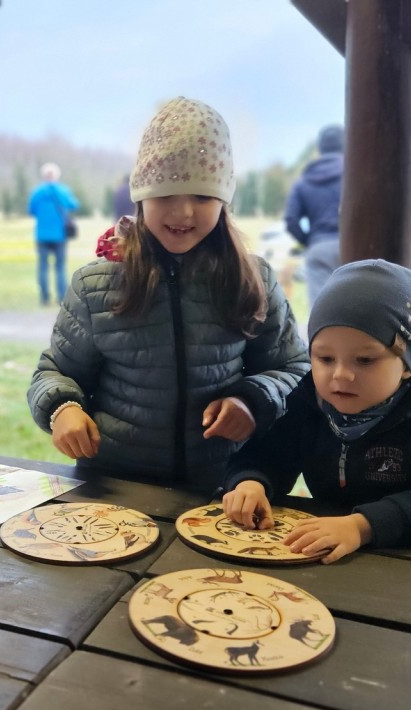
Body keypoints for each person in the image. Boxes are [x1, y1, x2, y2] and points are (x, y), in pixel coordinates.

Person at [28, 97, 309, 492]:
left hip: (222, 490)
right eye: (165, 194)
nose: (183, 213)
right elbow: (54, 371)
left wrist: (253, 401)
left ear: (224, 201)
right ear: (141, 195)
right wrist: (63, 409)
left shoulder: (254, 278)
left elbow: (295, 368)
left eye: (202, 196)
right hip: (113, 488)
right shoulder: (96, 285)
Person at [222, 260, 411, 563]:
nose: (341, 374)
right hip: (352, 553)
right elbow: (270, 453)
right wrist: (251, 482)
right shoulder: (309, 403)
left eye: (364, 360)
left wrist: (363, 526)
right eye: (325, 358)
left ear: (407, 365)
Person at [285, 124, 344, 307]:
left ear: (320, 148)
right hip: (353, 248)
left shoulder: (303, 181)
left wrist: (309, 241)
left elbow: (291, 220)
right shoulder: (357, 176)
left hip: (319, 248)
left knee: (321, 310)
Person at [28, 162, 80, 306]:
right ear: (57, 176)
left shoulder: (37, 192)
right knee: (60, 267)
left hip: (42, 235)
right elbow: (74, 205)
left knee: (43, 267)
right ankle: (61, 297)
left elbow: (31, 210)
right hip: (60, 235)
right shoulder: (63, 191)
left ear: (43, 176)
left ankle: (44, 297)